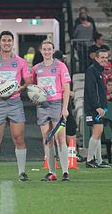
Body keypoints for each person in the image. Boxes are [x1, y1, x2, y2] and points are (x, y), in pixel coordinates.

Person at [0, 31, 32, 182]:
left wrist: (20, 89)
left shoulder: (21, 62)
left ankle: (22, 172)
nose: (6, 43)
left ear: (12, 42)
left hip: (15, 103)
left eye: (9, 40)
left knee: (19, 138)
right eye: (4, 40)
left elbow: (28, 81)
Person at [31, 40, 71, 181]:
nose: (47, 52)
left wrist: (64, 108)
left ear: (53, 51)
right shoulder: (36, 68)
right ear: (41, 51)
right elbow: (33, 88)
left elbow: (66, 88)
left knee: (60, 138)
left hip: (56, 104)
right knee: (47, 139)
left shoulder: (61, 66)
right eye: (44, 49)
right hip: (42, 106)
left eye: (49, 49)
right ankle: (51, 172)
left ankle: (65, 172)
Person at [84, 49, 111, 168]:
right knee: (98, 130)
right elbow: (91, 91)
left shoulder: (99, 71)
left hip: (98, 107)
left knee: (98, 132)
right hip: (93, 107)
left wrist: (104, 107)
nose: (105, 60)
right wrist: (98, 107)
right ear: (96, 58)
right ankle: (90, 160)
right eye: (102, 57)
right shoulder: (92, 71)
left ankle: (99, 160)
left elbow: (100, 92)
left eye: (106, 57)